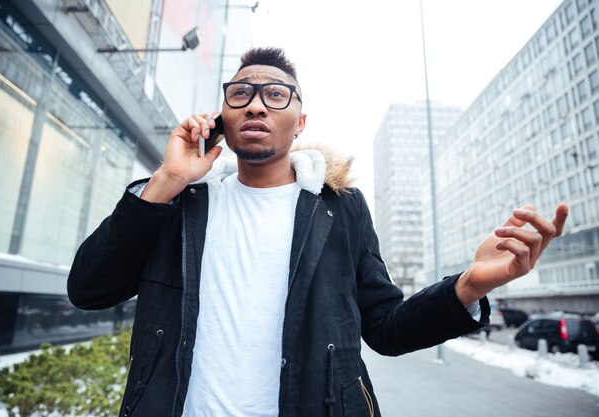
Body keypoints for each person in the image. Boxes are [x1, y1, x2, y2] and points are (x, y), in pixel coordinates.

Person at [67, 47, 568, 417]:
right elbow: (90, 289)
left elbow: (385, 329)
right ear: (221, 118)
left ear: (299, 121)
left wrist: (469, 286)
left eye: (275, 95)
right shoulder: (175, 203)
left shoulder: (340, 208)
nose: (257, 105)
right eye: (240, 93)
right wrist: (166, 181)